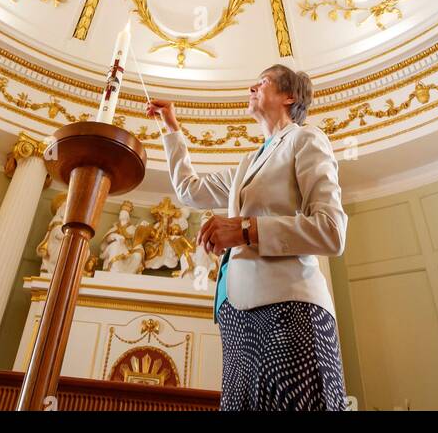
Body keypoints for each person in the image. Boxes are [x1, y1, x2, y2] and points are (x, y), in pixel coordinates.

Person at [147, 64, 350, 411]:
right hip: (235, 315)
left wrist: (245, 229)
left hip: (289, 308)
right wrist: (171, 127)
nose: (251, 88)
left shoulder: (305, 139)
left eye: (263, 82)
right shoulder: (245, 165)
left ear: (291, 96)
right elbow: (190, 191)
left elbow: (331, 231)